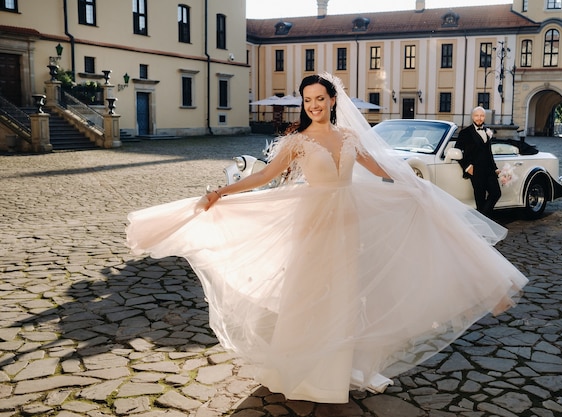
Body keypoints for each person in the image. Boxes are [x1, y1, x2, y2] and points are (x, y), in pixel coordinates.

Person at [126, 74, 527, 404]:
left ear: (333, 100)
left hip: (347, 226)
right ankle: (296, 369)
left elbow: (384, 170)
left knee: (343, 297)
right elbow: (265, 176)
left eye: (319, 98)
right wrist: (221, 193)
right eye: (307, 100)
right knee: (307, 295)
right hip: (313, 226)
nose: (313, 105)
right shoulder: (297, 141)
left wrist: (416, 190)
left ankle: (333, 374)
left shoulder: (351, 138)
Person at [454, 106, 502, 217]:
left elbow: (489, 153)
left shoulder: (487, 131)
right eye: (476, 115)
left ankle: (481, 219)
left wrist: (495, 168)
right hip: (475, 170)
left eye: (482, 116)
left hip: (489, 170)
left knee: (496, 193)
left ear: (485, 117)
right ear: (472, 117)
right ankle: (484, 223)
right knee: (480, 199)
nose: (479, 118)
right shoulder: (464, 133)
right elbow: (457, 152)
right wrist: (467, 167)